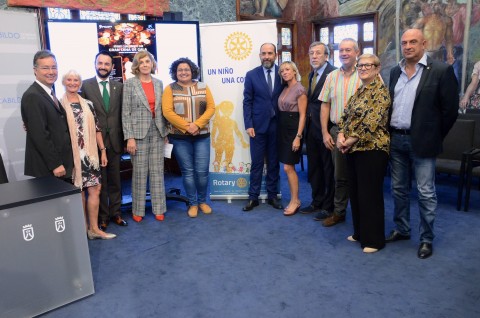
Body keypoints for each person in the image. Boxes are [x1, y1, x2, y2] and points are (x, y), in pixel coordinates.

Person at [387, 29, 458, 259]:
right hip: (396, 139)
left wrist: (434, 134)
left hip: (424, 142)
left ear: (424, 44)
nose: (407, 46)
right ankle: (402, 228)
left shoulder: (441, 70)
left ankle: (426, 239)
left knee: (425, 192)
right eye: (404, 42)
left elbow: (449, 111)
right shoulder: (395, 72)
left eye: (413, 42)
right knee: (398, 189)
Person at [337, 54, 390, 253]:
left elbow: (371, 122)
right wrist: (341, 134)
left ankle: (374, 240)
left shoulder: (381, 92)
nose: (363, 68)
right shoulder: (360, 91)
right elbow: (345, 115)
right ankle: (360, 232)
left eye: (368, 65)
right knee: (356, 193)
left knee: (370, 195)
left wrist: (349, 140)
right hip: (353, 149)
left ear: (377, 68)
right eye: (360, 65)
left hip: (373, 149)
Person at [60, 70, 116, 240]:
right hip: (72, 156)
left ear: (80, 83)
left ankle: (94, 229)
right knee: (78, 192)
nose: (72, 83)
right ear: (63, 82)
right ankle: (82, 229)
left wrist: (103, 150)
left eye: (76, 80)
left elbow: (97, 129)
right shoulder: (58, 104)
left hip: (90, 155)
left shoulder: (88, 104)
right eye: (69, 80)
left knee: (95, 189)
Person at [162, 57, 216, 218]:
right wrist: (187, 127)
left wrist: (197, 125)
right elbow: (167, 111)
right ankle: (192, 203)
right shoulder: (170, 89)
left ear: (192, 70)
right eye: (180, 70)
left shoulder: (203, 86)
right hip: (179, 137)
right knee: (188, 172)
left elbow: (211, 108)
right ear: (175, 73)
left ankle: (202, 201)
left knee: (202, 172)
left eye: (186, 69)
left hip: (202, 136)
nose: (183, 72)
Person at [80, 51, 128, 231]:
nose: (103, 66)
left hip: (115, 141)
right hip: (95, 143)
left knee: (116, 180)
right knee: (101, 183)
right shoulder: (85, 86)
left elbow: (123, 113)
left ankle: (116, 213)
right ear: (95, 64)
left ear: (112, 67)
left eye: (107, 64)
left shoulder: (119, 87)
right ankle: (103, 217)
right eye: (100, 63)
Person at [319, 38, 361, 227]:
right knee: (340, 176)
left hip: (362, 134)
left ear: (356, 52)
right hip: (337, 133)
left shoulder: (367, 74)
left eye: (348, 50)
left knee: (361, 177)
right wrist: (325, 133)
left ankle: (362, 216)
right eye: (341, 50)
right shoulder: (331, 76)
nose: (344, 53)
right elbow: (325, 105)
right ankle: (339, 213)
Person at [122, 50, 169, 223]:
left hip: (157, 132)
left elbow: (162, 110)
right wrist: (130, 137)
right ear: (136, 65)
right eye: (141, 62)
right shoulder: (130, 84)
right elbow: (125, 113)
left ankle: (159, 208)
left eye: (147, 62)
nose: (145, 65)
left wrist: (165, 133)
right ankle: (138, 210)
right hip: (138, 135)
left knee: (157, 172)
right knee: (140, 173)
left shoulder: (159, 83)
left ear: (152, 64)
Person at [242, 43, 283, 212]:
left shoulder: (283, 73)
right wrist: (248, 124)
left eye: (270, 53)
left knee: (273, 162)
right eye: (264, 53)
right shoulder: (252, 75)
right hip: (257, 127)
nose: (267, 56)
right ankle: (253, 197)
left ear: (276, 55)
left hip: (278, 125)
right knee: (257, 163)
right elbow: (247, 101)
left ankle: (273, 196)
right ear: (260, 55)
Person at [21, 50, 73, 181]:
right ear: (35, 70)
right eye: (45, 68)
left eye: (54, 67)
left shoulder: (48, 93)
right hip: (49, 168)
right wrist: (55, 164)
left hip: (59, 164)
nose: (51, 72)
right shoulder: (33, 95)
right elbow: (40, 135)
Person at [300, 42, 336, 219]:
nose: (314, 56)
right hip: (311, 129)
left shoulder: (335, 74)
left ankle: (329, 206)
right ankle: (317, 201)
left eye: (318, 53)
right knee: (314, 167)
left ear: (326, 56)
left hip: (327, 129)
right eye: (311, 53)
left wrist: (326, 131)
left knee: (328, 169)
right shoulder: (311, 74)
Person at [277, 61, 307, 216]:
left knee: (288, 167)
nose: (284, 72)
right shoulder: (285, 88)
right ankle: (295, 199)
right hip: (282, 129)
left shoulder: (300, 89)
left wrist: (298, 137)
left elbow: (302, 116)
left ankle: (295, 200)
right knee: (287, 167)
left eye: (287, 69)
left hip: (293, 130)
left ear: (294, 71)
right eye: (282, 70)